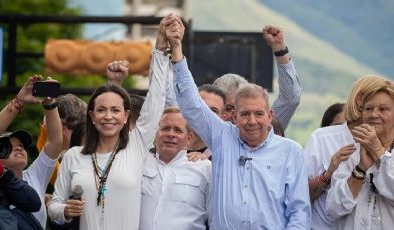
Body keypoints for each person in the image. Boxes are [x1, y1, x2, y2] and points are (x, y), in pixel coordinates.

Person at [167, 17, 310, 229]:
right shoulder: (219, 135)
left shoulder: (289, 150)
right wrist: (175, 49)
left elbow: (299, 212)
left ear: (269, 115)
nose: (251, 121)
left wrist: (280, 51)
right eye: (241, 113)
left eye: (258, 114)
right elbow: (188, 100)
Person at [47, 15, 173, 229]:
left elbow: (156, 98)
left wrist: (160, 46)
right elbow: (54, 207)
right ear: (91, 116)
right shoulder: (73, 156)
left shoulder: (136, 146)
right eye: (101, 110)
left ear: (126, 117)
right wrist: (65, 210)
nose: (108, 116)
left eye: (115, 110)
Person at [304, 75, 388, 229]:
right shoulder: (322, 138)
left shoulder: (385, 143)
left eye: (384, 108)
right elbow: (299, 196)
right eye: (372, 106)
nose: (376, 114)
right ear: (360, 100)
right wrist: (328, 174)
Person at [0, 75, 63, 228]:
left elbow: (55, 142)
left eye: (21, 145)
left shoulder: (35, 176)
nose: (19, 148)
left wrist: (50, 104)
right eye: (10, 146)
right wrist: (19, 101)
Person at [326, 80, 394, 229]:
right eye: (369, 108)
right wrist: (360, 169)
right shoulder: (351, 153)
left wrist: (379, 152)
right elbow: (333, 209)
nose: (374, 114)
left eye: (383, 109)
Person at [212, 25, 302, 130]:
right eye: (228, 109)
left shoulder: (260, 128)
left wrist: (280, 50)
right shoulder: (202, 134)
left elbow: (291, 99)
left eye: (241, 109)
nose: (234, 115)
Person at [140, 107, 212, 230]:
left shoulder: (205, 168)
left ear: (189, 138)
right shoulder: (140, 163)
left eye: (178, 130)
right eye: (165, 128)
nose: (170, 134)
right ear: (155, 134)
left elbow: (215, 218)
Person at [187, 84, 225, 160]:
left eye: (214, 111)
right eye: (202, 107)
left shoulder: (224, 157)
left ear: (222, 119)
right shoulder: (166, 139)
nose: (207, 114)